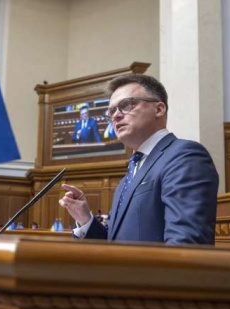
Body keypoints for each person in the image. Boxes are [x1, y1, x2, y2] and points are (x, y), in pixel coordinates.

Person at [59, 74, 218, 245]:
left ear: (159, 109)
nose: (116, 116)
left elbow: (186, 246)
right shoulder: (127, 178)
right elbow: (114, 246)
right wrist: (85, 219)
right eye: (112, 111)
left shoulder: (184, 156)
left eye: (126, 105)